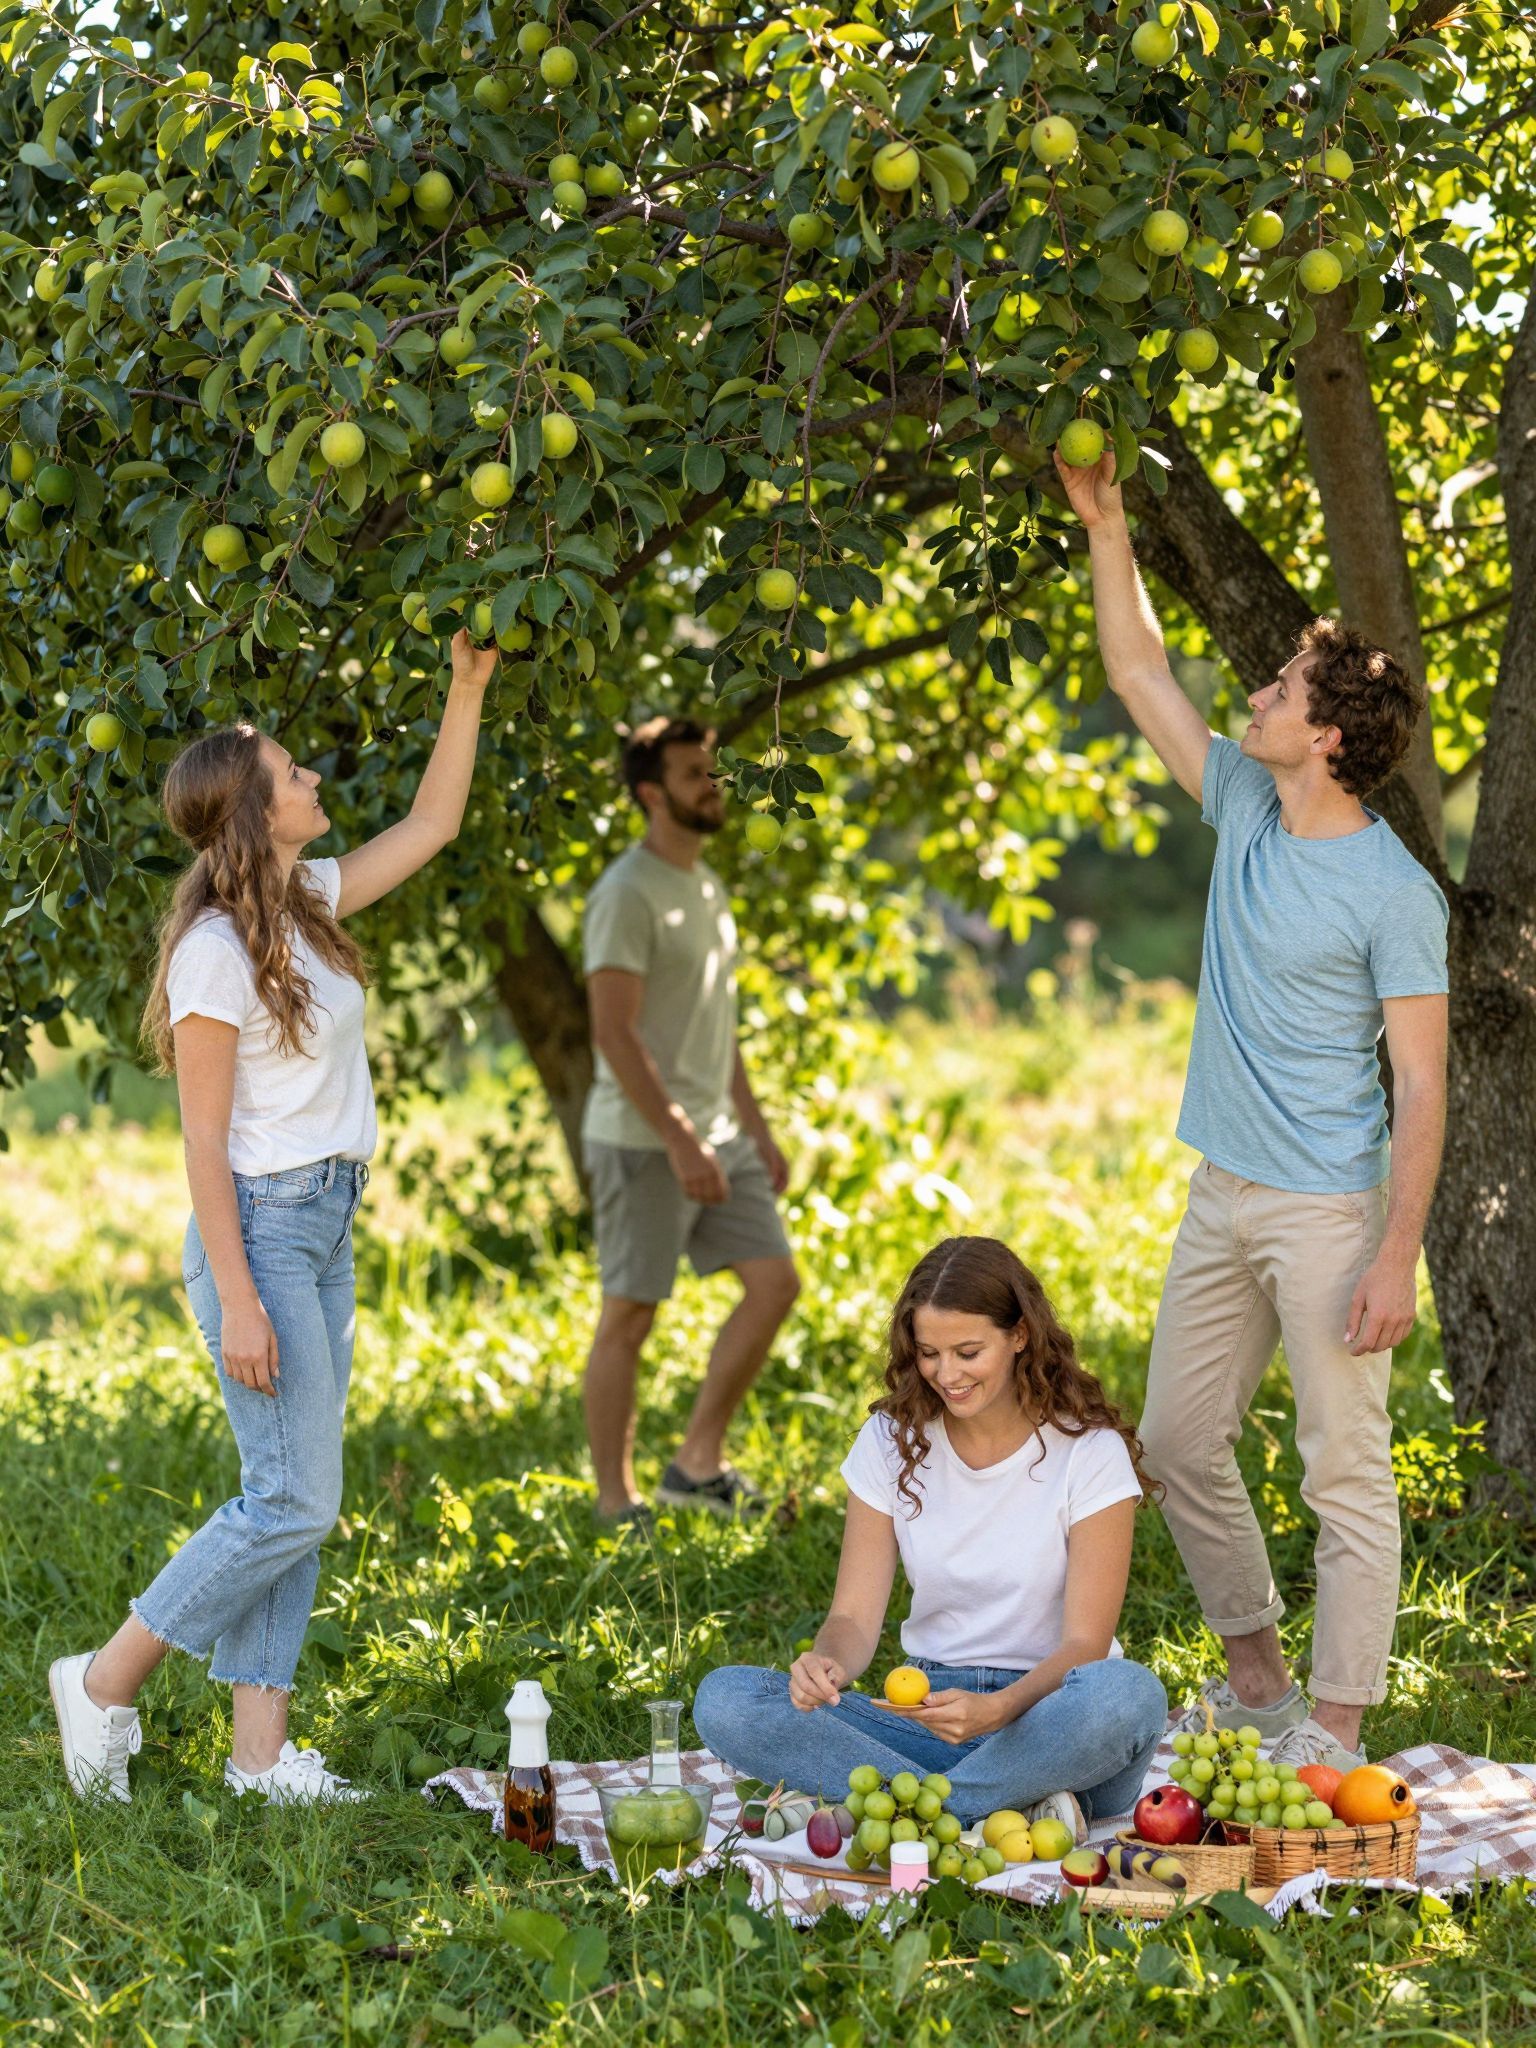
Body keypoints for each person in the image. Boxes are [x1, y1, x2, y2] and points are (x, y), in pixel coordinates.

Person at [48, 628, 499, 1805]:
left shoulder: (301, 897)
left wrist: (464, 689)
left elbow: (433, 825)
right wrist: (241, 1291)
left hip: (326, 1221)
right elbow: (200, 1140)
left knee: (290, 1493)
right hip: (261, 1231)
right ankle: (103, 1679)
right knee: (295, 1496)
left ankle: (258, 1760)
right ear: (252, 811)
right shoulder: (212, 950)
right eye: (293, 774)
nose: (313, 782)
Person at [1058, 449, 1449, 1773]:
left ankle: (1335, 1731)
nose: (1258, 695)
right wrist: (1108, 524)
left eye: (1281, 689)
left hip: (1331, 1210)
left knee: (1345, 1467)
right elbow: (1137, 674)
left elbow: (1428, 1086)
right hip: (1220, 1188)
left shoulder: (1393, 892)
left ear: (1327, 735)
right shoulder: (1244, 805)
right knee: (1172, 1440)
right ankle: (1261, 1676)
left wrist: (1396, 1254)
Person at [694, 1238, 1168, 1832]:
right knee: (727, 1699)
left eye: (968, 1352)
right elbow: (853, 1619)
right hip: (924, 1714)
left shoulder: (1088, 1451)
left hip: (1052, 1714)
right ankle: (1001, 1805)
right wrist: (826, 1661)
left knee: (1129, 1696)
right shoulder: (890, 1441)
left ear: (1020, 1335)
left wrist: (999, 1710)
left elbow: (1084, 1646)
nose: (948, 1375)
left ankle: (915, 1808)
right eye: (928, 1354)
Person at [580, 716, 800, 1525]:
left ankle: (696, 1463)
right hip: (644, 1142)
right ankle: (614, 1499)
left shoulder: (706, 887)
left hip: (717, 1137)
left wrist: (755, 1129)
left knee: (775, 1285)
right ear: (650, 793)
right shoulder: (625, 893)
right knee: (630, 1316)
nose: (713, 784)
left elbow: (717, 1023)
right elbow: (613, 1031)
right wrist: (679, 1139)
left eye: (712, 770)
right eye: (692, 773)